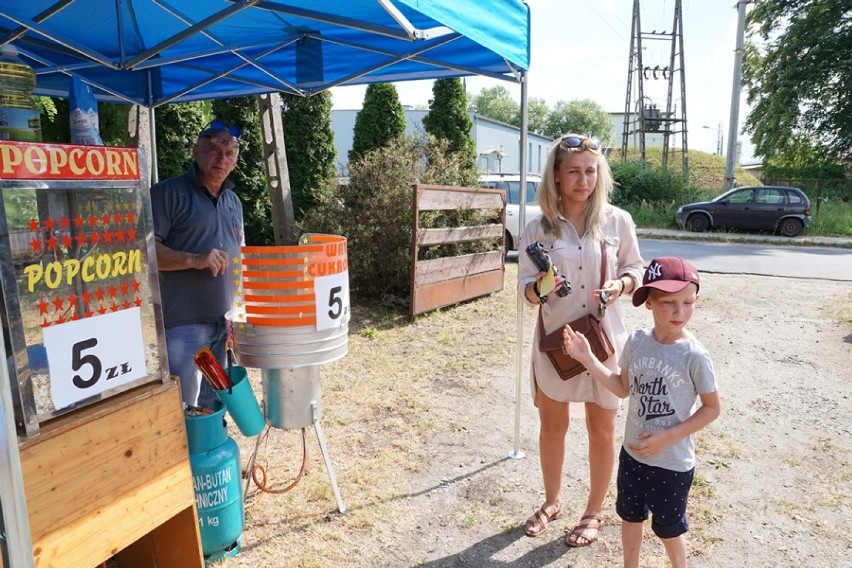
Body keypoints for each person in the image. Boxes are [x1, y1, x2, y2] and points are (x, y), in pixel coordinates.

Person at [518, 134, 644, 547]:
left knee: (601, 430)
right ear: (556, 175)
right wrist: (542, 285)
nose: (583, 180)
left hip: (604, 343)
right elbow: (524, 291)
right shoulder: (537, 227)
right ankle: (552, 501)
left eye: (591, 171)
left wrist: (619, 285)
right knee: (553, 426)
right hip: (556, 344)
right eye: (573, 171)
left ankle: (592, 512)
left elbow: (636, 270)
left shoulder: (617, 220)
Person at [562, 256, 721, 568]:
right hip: (632, 457)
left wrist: (668, 437)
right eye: (669, 302)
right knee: (630, 518)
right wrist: (587, 358)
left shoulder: (694, 356)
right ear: (648, 301)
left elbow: (712, 408)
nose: (679, 312)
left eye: (688, 302)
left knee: (668, 528)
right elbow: (622, 389)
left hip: (672, 464)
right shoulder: (636, 342)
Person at [150, 119, 244, 409]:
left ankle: (207, 449)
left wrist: (238, 310)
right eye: (214, 149)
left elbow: (239, 256)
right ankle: (184, 454)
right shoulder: (167, 194)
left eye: (229, 153)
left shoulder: (233, 201)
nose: (221, 158)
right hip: (183, 324)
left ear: (236, 160)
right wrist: (195, 259)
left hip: (223, 319)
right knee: (181, 406)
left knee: (213, 403)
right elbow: (145, 252)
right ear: (195, 152)